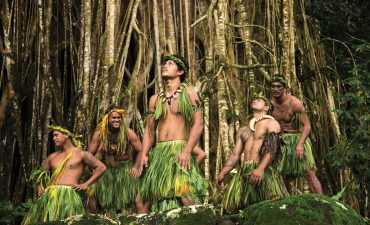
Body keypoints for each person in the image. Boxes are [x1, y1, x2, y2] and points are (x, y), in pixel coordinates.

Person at [138, 53, 208, 212]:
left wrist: (187, 150)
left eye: (170, 63)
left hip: (179, 150)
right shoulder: (155, 99)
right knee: (144, 199)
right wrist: (144, 153)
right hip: (160, 153)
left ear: (180, 72)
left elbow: (198, 123)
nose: (165, 65)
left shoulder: (189, 93)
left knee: (185, 193)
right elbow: (149, 130)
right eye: (164, 63)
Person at [217, 94, 288, 211]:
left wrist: (260, 168)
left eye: (259, 100)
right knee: (237, 208)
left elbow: (273, 147)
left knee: (268, 207)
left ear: (266, 108)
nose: (255, 100)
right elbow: (235, 155)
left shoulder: (271, 123)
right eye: (254, 100)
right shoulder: (243, 130)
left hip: (263, 170)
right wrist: (223, 172)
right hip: (244, 172)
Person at [22, 126, 106, 225]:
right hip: (50, 195)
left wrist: (85, 184)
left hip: (69, 195)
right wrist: (40, 188)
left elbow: (101, 168)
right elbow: (41, 173)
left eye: (56, 135)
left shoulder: (81, 154)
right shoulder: (52, 157)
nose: (54, 138)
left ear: (66, 135)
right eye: (53, 136)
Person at [86, 107, 149, 213]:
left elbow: (141, 150)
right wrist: (95, 167)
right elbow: (88, 155)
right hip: (106, 171)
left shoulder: (128, 133)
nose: (117, 120)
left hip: (126, 170)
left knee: (137, 201)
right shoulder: (100, 134)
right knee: (92, 200)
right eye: (114, 118)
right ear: (107, 119)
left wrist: (136, 166)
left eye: (119, 117)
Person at [270, 75, 323, 194]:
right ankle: (285, 202)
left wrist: (300, 144)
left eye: (279, 86)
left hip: (296, 138)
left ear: (284, 88)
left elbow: (307, 125)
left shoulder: (294, 103)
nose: (276, 89)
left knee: (308, 171)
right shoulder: (269, 105)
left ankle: (321, 201)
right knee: (279, 172)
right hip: (280, 140)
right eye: (273, 86)